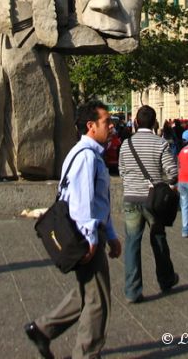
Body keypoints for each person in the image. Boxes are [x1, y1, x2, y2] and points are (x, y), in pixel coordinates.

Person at [24, 100, 122, 359]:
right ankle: (86, 353)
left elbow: (100, 201)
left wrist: (111, 235)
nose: (111, 127)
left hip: (87, 232)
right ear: (91, 126)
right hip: (84, 234)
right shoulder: (86, 157)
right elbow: (82, 202)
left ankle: (43, 329)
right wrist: (91, 239)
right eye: (106, 122)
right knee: (98, 300)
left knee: (86, 292)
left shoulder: (88, 154)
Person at [118, 105, 179, 303]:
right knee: (158, 238)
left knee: (132, 243)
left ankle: (132, 290)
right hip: (153, 200)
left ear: (135, 122)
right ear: (154, 123)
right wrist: (166, 184)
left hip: (131, 198)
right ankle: (166, 279)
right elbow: (172, 172)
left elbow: (121, 170)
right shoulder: (160, 143)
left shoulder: (126, 144)